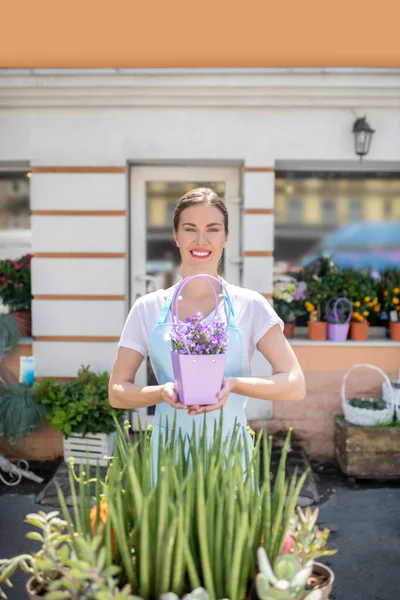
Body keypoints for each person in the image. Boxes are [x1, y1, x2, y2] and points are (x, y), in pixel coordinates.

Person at [108, 188, 306, 475]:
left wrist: (233, 385)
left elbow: (294, 383)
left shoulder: (249, 305)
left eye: (212, 229)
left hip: (229, 457)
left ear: (226, 237)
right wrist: (162, 392)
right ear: (176, 236)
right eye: (190, 229)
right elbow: (117, 391)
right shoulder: (147, 308)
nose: (201, 240)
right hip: (167, 458)